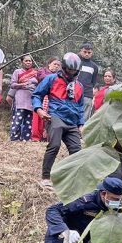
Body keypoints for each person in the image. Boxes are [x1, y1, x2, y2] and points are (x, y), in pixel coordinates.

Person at [32, 52, 84, 188]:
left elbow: (80, 107)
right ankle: (45, 177)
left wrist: (81, 124)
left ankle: (73, 180)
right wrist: (39, 109)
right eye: (70, 69)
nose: (72, 72)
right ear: (64, 67)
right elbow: (37, 94)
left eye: (75, 70)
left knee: (77, 151)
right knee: (54, 145)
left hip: (72, 122)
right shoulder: (52, 79)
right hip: (55, 116)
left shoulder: (79, 86)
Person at [6, 55, 38, 141]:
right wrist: (21, 85)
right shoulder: (17, 72)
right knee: (18, 120)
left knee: (29, 121)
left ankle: (26, 139)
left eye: (30, 61)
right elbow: (12, 84)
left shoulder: (35, 73)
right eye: (26, 61)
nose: (28, 62)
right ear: (22, 62)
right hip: (20, 98)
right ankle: (14, 138)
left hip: (31, 99)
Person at [32, 56, 60, 142]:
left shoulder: (59, 75)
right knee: (38, 117)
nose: (56, 66)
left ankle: (47, 138)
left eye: (58, 65)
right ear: (49, 64)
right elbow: (41, 78)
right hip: (42, 96)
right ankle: (36, 137)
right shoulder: (42, 71)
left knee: (49, 117)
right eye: (54, 64)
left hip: (52, 97)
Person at [77, 42, 99, 121]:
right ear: (80, 51)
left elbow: (93, 82)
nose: (87, 54)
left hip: (87, 94)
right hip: (74, 93)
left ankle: (81, 133)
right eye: (85, 52)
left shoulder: (94, 67)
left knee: (84, 118)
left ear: (92, 53)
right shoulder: (76, 62)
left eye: (89, 52)